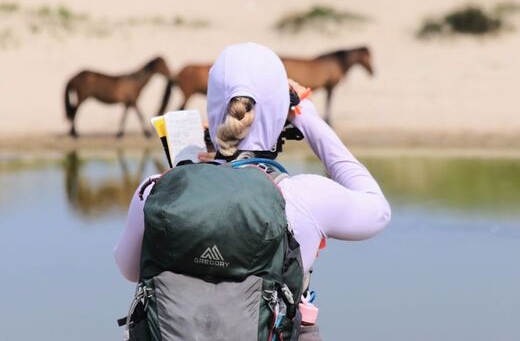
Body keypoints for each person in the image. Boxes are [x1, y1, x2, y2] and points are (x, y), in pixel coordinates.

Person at [114, 42, 391, 340]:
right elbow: (378, 210)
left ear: (213, 106)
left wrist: (189, 169)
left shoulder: (155, 189)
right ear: (279, 111)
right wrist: (307, 116)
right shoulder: (303, 197)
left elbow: (129, 268)